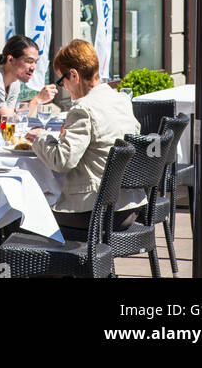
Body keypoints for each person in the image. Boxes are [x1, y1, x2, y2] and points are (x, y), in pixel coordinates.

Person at [26, 39, 142, 228]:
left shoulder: (83, 108)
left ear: (73, 75)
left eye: (61, 80)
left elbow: (62, 161)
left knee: (25, 211)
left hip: (95, 211)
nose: (63, 86)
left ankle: (18, 255)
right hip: (129, 206)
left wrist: (40, 137)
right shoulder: (121, 99)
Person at [0, 35, 58, 118]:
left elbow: (15, 116)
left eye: (35, 62)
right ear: (10, 60)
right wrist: (37, 100)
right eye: (29, 61)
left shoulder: (15, 83)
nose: (33, 67)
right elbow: (6, 122)